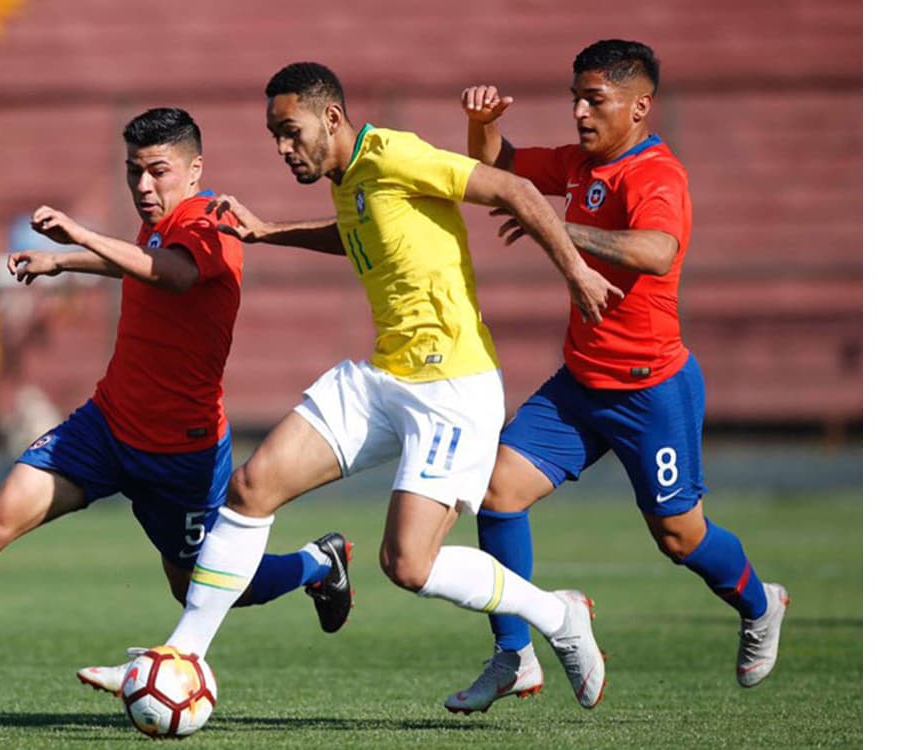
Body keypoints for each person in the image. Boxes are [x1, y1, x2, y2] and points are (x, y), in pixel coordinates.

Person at [129, 62, 624, 712]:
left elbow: (517, 193)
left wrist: (577, 275)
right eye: (275, 136)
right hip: (384, 378)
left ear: (331, 118)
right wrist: (269, 230)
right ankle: (184, 652)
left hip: (451, 385)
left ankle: (559, 617)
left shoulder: (396, 153)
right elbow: (358, 233)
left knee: (408, 566)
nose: (282, 148)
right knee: (253, 488)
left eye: (290, 132)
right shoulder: (349, 176)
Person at [0, 107, 353, 705]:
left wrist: (78, 236)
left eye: (158, 171)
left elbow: (171, 275)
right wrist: (61, 262)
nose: (144, 187)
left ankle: (318, 563)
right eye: (133, 173)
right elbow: (141, 258)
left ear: (195, 168)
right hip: (105, 427)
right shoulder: (159, 224)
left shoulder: (213, 223)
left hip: (183, 453)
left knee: (200, 589)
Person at [449, 39, 789, 713]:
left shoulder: (656, 175)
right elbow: (500, 164)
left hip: (650, 389)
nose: (578, 111)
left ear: (639, 107)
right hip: (580, 385)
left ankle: (760, 603)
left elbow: (657, 252)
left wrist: (559, 226)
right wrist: (482, 122)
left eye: (594, 100)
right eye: (575, 96)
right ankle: (515, 656)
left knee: (679, 537)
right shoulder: (579, 164)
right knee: (497, 492)